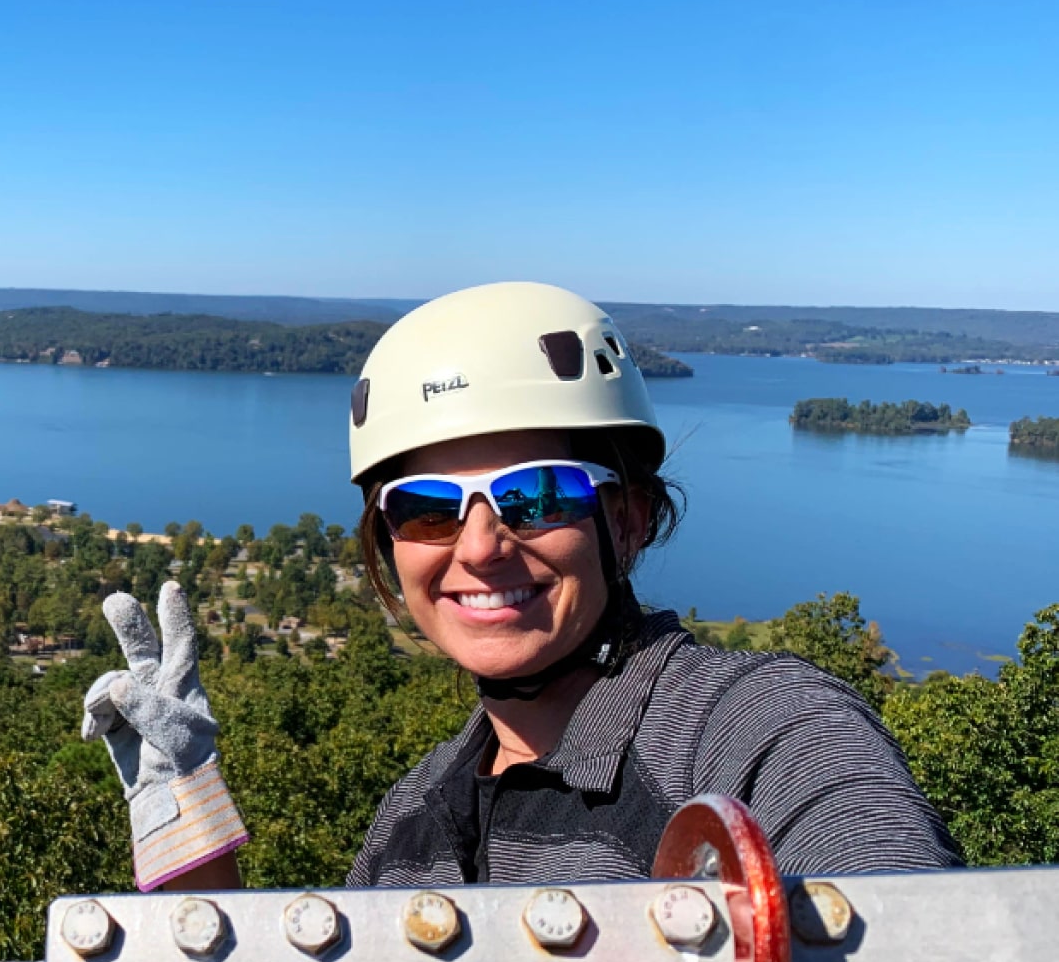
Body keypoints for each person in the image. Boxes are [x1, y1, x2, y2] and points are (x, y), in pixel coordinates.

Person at [83, 281, 960, 892]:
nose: (479, 547)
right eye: (425, 508)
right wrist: (191, 823)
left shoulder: (757, 731)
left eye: (536, 494)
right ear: (388, 543)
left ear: (628, 519)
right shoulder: (414, 820)